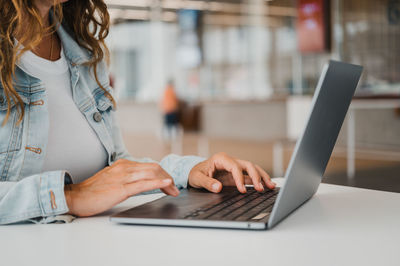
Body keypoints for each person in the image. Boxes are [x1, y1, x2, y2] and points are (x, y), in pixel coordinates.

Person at [0, 0, 275, 225]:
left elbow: (117, 165)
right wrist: (70, 196)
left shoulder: (85, 55)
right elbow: (88, 190)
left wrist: (189, 172)